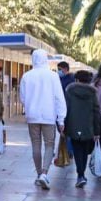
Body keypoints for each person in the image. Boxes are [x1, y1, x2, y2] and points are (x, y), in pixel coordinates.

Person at [18, 49, 67, 190]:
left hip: (32, 116)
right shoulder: (53, 76)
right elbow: (59, 98)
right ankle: (44, 173)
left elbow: (22, 97)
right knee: (49, 144)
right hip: (49, 116)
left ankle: (39, 174)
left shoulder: (27, 76)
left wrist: (30, 107)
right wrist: (61, 119)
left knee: (36, 145)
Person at [64, 70, 101, 187]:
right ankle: (81, 174)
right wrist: (97, 131)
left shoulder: (70, 91)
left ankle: (80, 175)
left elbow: (66, 109)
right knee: (84, 152)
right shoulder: (93, 93)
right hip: (88, 127)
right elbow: (96, 113)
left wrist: (63, 126)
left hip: (73, 125)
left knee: (76, 150)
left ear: (76, 79)